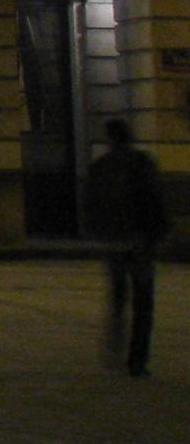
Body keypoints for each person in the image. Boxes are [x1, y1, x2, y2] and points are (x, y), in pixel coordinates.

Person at [85, 118, 169, 376]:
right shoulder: (142, 162)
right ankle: (138, 360)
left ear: (109, 138)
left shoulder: (101, 166)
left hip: (114, 243)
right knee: (143, 304)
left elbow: (91, 203)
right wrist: (158, 235)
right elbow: (155, 200)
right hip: (140, 243)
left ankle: (114, 349)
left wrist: (100, 233)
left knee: (118, 298)